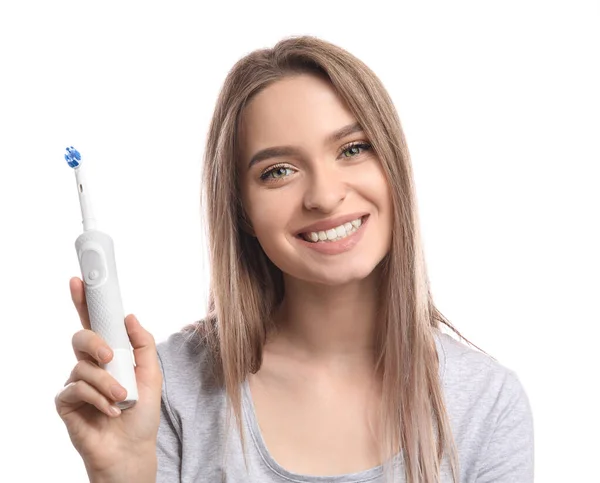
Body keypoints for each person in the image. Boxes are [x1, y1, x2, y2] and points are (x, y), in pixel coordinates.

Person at [55, 35, 534, 483]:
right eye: (278, 171)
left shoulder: (485, 405)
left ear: (394, 166)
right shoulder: (169, 390)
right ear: (241, 211)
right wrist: (127, 475)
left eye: (353, 148)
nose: (325, 197)